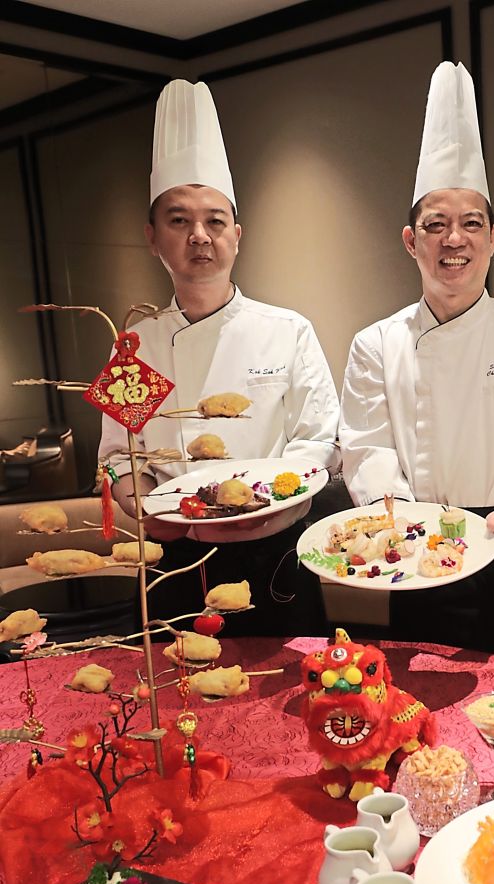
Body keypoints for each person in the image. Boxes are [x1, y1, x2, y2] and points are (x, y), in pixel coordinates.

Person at [338, 62, 494, 665]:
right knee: (416, 711)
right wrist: (403, 522)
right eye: (437, 225)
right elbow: (366, 448)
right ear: (410, 240)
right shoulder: (376, 343)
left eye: (471, 224)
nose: (455, 240)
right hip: (416, 547)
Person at [97, 79, 340, 636]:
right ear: (152, 237)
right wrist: (147, 510)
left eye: (215, 220)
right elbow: (117, 458)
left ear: (238, 235)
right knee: (184, 696)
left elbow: (317, 441)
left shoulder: (288, 330)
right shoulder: (134, 347)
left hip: (278, 549)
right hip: (175, 557)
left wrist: (271, 503)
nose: (199, 236)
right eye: (179, 220)